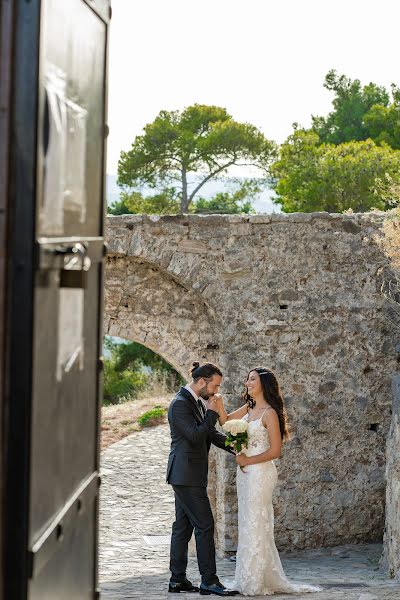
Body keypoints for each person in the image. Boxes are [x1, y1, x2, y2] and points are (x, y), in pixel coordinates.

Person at [215, 367, 322, 596]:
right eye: (247, 379)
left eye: (252, 379)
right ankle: (247, 577)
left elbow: (275, 451)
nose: (247, 382)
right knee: (247, 522)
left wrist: (247, 459)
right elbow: (226, 422)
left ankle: (255, 581)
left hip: (260, 472)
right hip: (245, 472)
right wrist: (219, 404)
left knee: (257, 520)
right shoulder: (250, 407)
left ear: (264, 383)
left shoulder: (270, 413)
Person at [167, 362, 238, 596]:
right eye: (215, 385)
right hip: (185, 476)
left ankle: (178, 580)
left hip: (188, 475)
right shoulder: (179, 405)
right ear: (201, 382)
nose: (216, 391)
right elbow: (196, 436)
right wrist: (213, 411)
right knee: (205, 525)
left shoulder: (195, 402)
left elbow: (210, 433)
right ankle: (209, 580)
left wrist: (236, 446)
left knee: (183, 527)